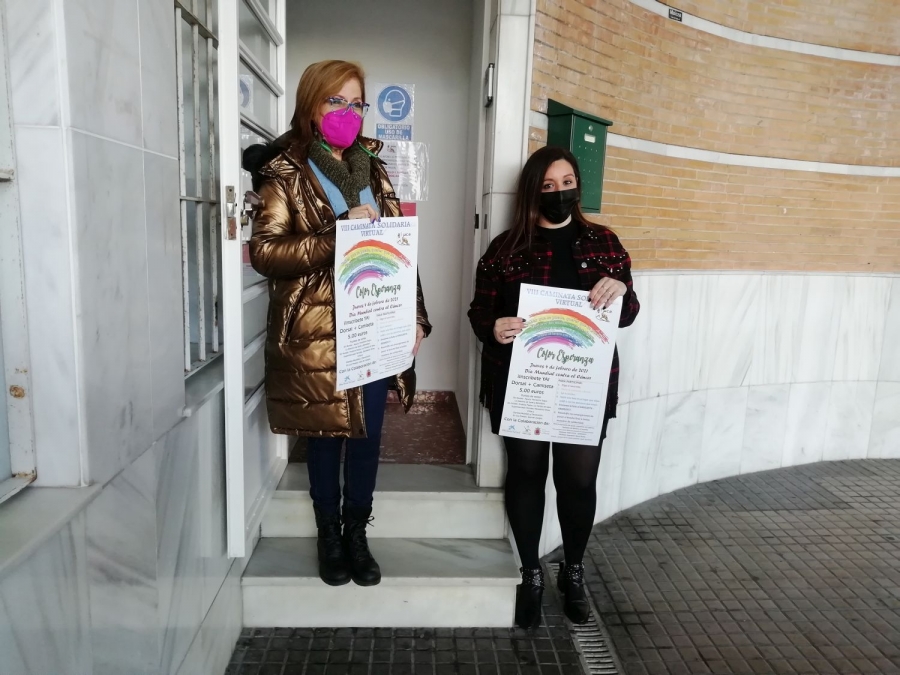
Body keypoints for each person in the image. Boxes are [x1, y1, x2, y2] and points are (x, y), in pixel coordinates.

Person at [245, 60, 431, 588]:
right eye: (336, 101)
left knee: (368, 434)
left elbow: (400, 250)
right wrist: (337, 234)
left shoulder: (374, 168)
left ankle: (357, 533)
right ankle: (329, 534)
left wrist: (414, 315)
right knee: (326, 437)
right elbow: (266, 253)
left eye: (356, 103)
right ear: (311, 105)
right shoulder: (284, 171)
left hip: (375, 321)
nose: (347, 113)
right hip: (317, 328)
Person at [468, 146, 640, 628]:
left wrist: (621, 288)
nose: (559, 193)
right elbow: (479, 313)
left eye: (566, 183)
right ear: (532, 192)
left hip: (584, 385)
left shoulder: (604, 242)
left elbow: (626, 314)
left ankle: (573, 570)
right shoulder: (505, 249)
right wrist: (494, 326)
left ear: (577, 188)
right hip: (522, 382)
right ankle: (529, 572)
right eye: (547, 186)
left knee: (578, 480)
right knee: (525, 475)